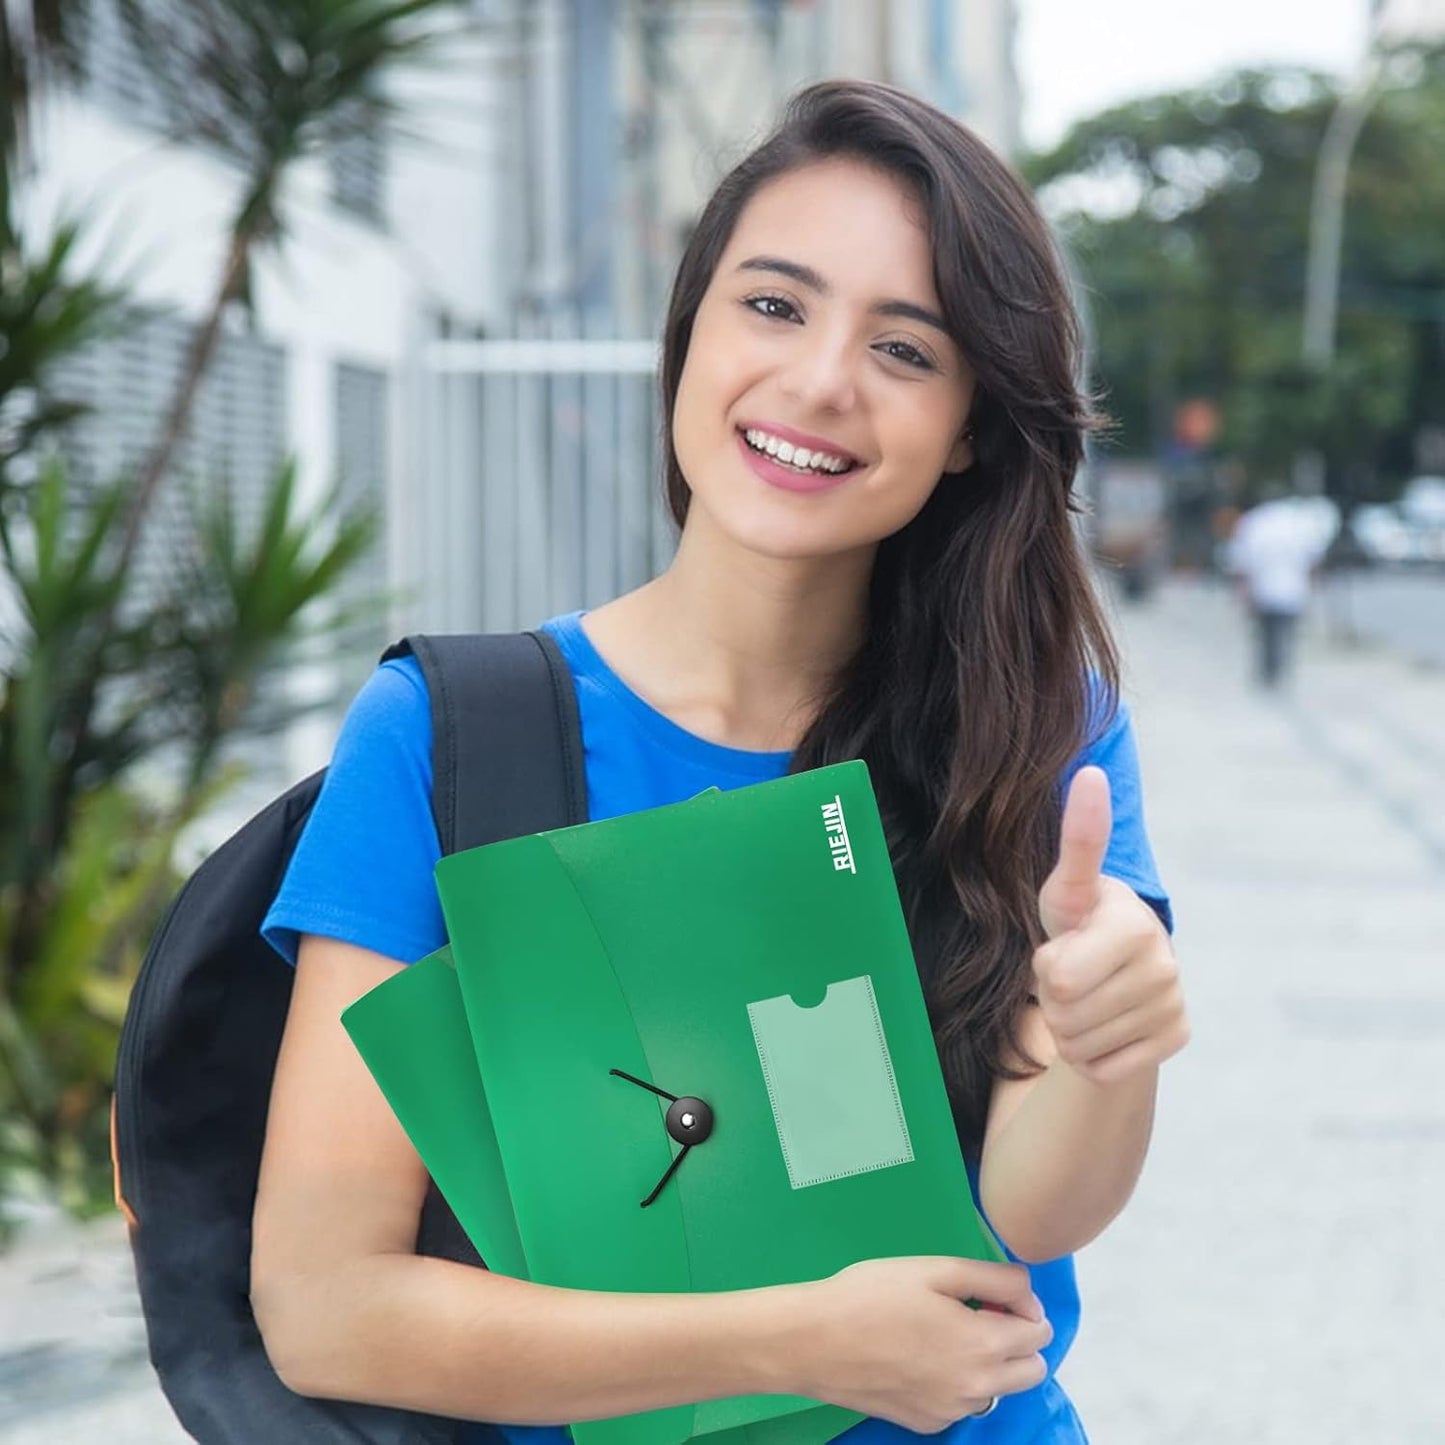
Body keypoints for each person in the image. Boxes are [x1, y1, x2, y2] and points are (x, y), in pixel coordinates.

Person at [252, 80, 1188, 1443]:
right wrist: (803, 1342)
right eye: (773, 304)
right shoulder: (448, 738)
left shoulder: (1040, 722)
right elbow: (324, 1303)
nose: (819, 380)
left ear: (973, 425)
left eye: (907, 350)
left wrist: (1111, 1039)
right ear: (688, 331)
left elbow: (1038, 1215)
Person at [1226, 488, 1332, 688]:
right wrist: (1316, 583)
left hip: (1263, 588)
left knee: (1265, 633)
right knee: (1287, 632)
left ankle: (1269, 670)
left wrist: (1241, 592)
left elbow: (1241, 562)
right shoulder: (1299, 524)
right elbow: (1314, 559)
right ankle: (1280, 669)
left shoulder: (1254, 522)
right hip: (1293, 589)